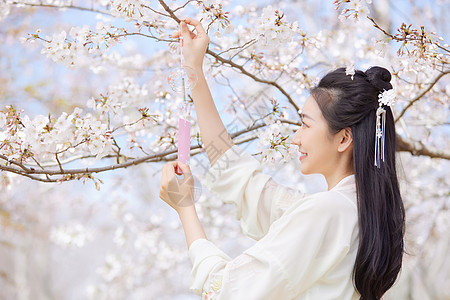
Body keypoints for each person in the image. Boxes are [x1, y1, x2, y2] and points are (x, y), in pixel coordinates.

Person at [159, 17, 405, 300]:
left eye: (306, 124)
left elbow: (225, 290)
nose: (296, 137)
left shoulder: (325, 212)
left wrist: (186, 208)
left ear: (344, 138)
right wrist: (194, 74)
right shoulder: (357, 213)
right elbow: (242, 181)